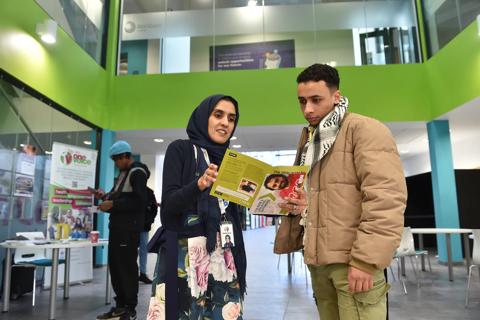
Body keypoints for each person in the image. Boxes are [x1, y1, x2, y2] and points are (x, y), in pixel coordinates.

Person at [274, 64, 407, 320]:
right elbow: (330, 197)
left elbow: (386, 199)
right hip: (318, 263)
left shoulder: (364, 129)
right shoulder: (312, 140)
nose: (307, 109)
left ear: (336, 97)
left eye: (316, 100)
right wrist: (304, 205)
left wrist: (366, 262)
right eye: (302, 101)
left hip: (354, 265)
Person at [148, 94, 247, 320]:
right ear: (203, 117)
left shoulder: (231, 162)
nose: (225, 123)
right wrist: (199, 184)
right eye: (218, 115)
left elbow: (232, 211)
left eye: (231, 119)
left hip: (223, 255)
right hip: (186, 254)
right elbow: (169, 207)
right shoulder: (181, 150)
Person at [95, 140, 149, 320]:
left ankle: (129, 308)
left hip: (128, 229)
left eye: (117, 160)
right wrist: (105, 196)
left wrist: (113, 204)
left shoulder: (137, 173)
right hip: (118, 228)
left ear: (126, 156)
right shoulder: (123, 174)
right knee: (116, 268)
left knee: (126, 268)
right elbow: (119, 196)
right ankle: (120, 306)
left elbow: (139, 201)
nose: (116, 164)